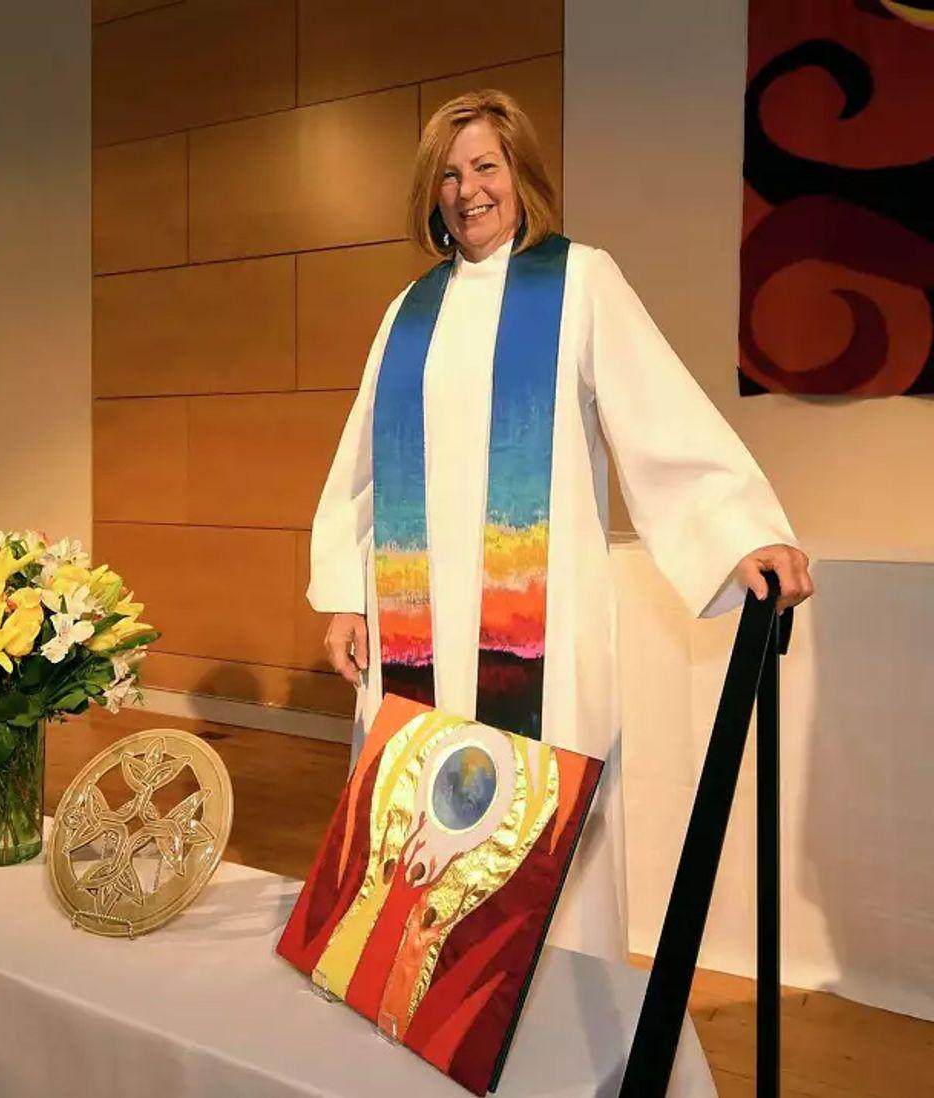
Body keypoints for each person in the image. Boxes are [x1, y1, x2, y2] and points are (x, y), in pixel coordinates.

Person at [307, 90, 813, 960]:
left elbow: (660, 414)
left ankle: (557, 1008)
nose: (469, 190)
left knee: (547, 802)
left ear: (521, 175)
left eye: (486, 167)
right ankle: (411, 991)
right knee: (413, 798)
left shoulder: (579, 280)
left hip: (534, 626)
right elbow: (362, 466)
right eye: (449, 174)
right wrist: (347, 596)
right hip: (415, 625)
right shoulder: (408, 312)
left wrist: (739, 531)